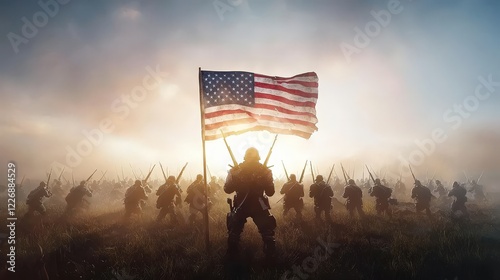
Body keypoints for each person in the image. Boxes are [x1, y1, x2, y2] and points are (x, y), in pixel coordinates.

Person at [224, 147, 276, 259]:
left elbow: (227, 189)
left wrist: (236, 177)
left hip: (241, 205)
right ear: (258, 157)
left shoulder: (235, 171)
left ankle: (232, 256)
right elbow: (270, 192)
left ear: (245, 156)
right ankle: (270, 256)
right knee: (267, 233)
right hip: (259, 204)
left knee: (234, 233)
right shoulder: (265, 171)